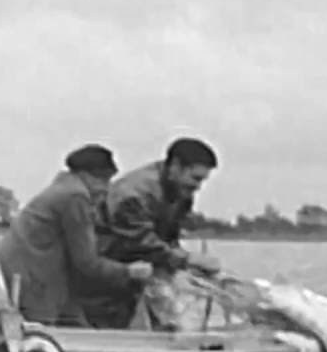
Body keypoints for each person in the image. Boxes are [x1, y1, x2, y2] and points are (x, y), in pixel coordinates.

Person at [0, 144, 155, 326]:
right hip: (20, 283)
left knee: (77, 328)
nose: (106, 188)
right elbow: (87, 264)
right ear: (84, 174)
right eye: (102, 180)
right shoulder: (75, 197)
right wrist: (129, 272)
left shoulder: (63, 188)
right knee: (51, 338)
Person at [77, 137, 222, 330]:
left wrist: (183, 268)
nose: (198, 186)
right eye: (195, 178)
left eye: (203, 180)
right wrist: (188, 259)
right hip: (105, 271)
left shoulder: (181, 194)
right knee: (104, 325)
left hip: (138, 273)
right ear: (176, 166)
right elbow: (140, 242)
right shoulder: (133, 194)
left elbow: (169, 239)